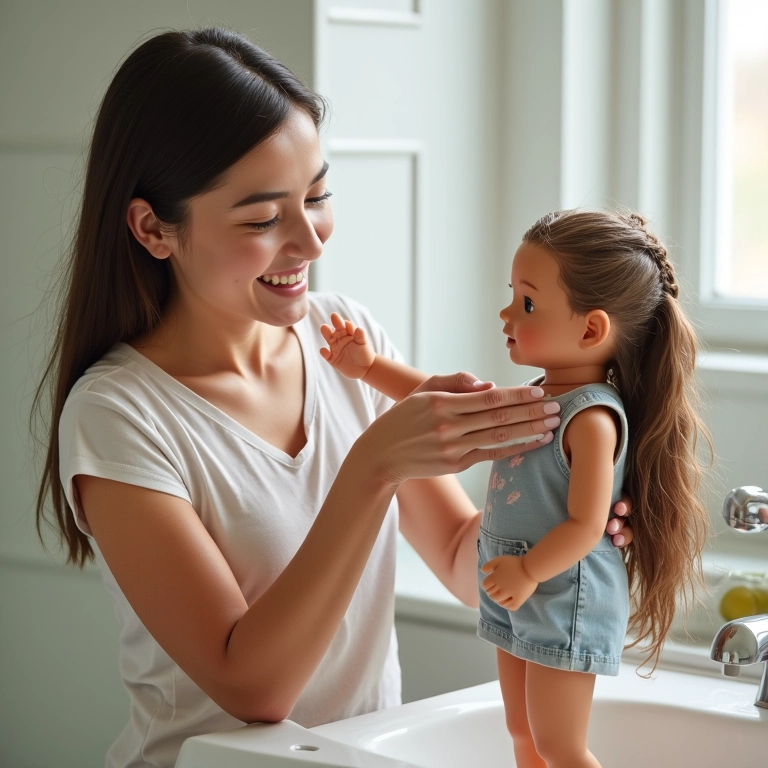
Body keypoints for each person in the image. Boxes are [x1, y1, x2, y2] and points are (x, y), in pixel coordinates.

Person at [31, 28, 634, 768]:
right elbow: (253, 686)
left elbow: (455, 555)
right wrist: (373, 466)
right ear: (154, 227)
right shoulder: (118, 417)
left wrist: (564, 536)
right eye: (261, 219)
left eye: (317, 195)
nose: (311, 241)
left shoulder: (345, 339)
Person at [320, 208, 711, 768]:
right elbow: (436, 404)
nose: (506, 312)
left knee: (560, 745)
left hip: (560, 594)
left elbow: (584, 526)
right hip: (515, 585)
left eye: (527, 303)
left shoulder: (591, 420)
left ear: (591, 329)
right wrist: (367, 367)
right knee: (522, 735)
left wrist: (528, 571)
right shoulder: (535, 400)